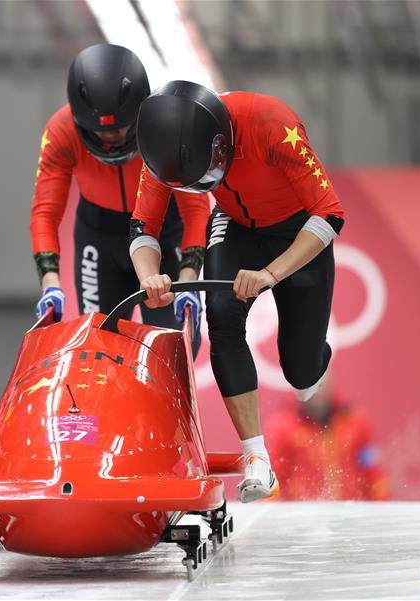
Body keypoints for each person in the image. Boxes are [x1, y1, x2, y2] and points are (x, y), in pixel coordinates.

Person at [129, 81, 346, 502]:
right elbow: (143, 227)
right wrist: (148, 276)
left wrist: (271, 273)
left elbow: (330, 214)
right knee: (223, 318)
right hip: (236, 226)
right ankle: (257, 460)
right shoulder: (162, 151)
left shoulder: (271, 123)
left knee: (302, 373)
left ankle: (311, 358)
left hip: (299, 231)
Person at [29, 44, 209, 344]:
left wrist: (188, 278)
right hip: (98, 239)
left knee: (175, 341)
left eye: (123, 129)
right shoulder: (60, 131)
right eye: (100, 133)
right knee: (99, 340)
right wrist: (50, 282)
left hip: (163, 235)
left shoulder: (167, 125)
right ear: (80, 120)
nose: (112, 140)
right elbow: (45, 212)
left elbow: (196, 210)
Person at [265, 371, 390, 501]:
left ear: (330, 384)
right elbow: (271, 481)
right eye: (311, 387)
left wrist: (382, 508)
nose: (317, 393)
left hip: (350, 511)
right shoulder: (283, 427)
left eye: (321, 385)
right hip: (304, 514)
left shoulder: (354, 421)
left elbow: (372, 472)